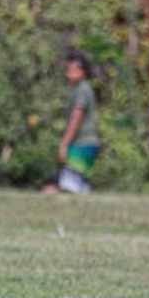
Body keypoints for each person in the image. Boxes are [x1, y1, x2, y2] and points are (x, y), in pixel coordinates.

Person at [47, 51, 101, 194]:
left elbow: (76, 118)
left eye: (76, 68)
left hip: (83, 144)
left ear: (83, 71)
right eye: (69, 67)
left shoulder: (82, 89)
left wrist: (64, 144)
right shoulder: (77, 89)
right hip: (83, 144)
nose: (71, 70)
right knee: (75, 187)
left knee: (67, 189)